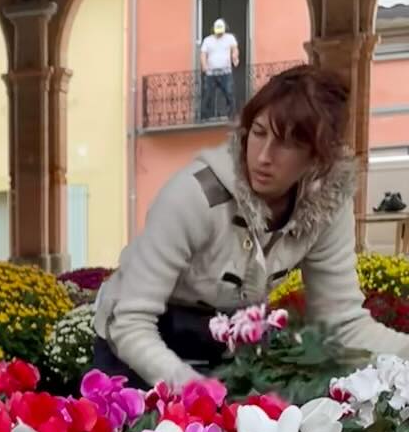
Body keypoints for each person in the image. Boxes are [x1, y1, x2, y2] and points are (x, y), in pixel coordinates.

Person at [93, 63, 409, 389]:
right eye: (258, 133)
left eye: (286, 142)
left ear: (318, 157)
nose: (263, 157)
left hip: (223, 343)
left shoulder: (326, 205)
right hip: (133, 344)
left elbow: (343, 324)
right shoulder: (191, 196)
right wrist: (195, 393)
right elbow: (130, 321)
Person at [199, 17, 239, 119]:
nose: (219, 34)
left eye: (221, 32)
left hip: (226, 72)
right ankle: (207, 116)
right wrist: (204, 66)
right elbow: (203, 54)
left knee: (229, 93)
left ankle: (231, 115)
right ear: (214, 30)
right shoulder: (207, 40)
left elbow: (235, 49)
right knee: (208, 95)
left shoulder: (230, 38)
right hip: (211, 73)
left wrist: (235, 57)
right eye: (218, 32)